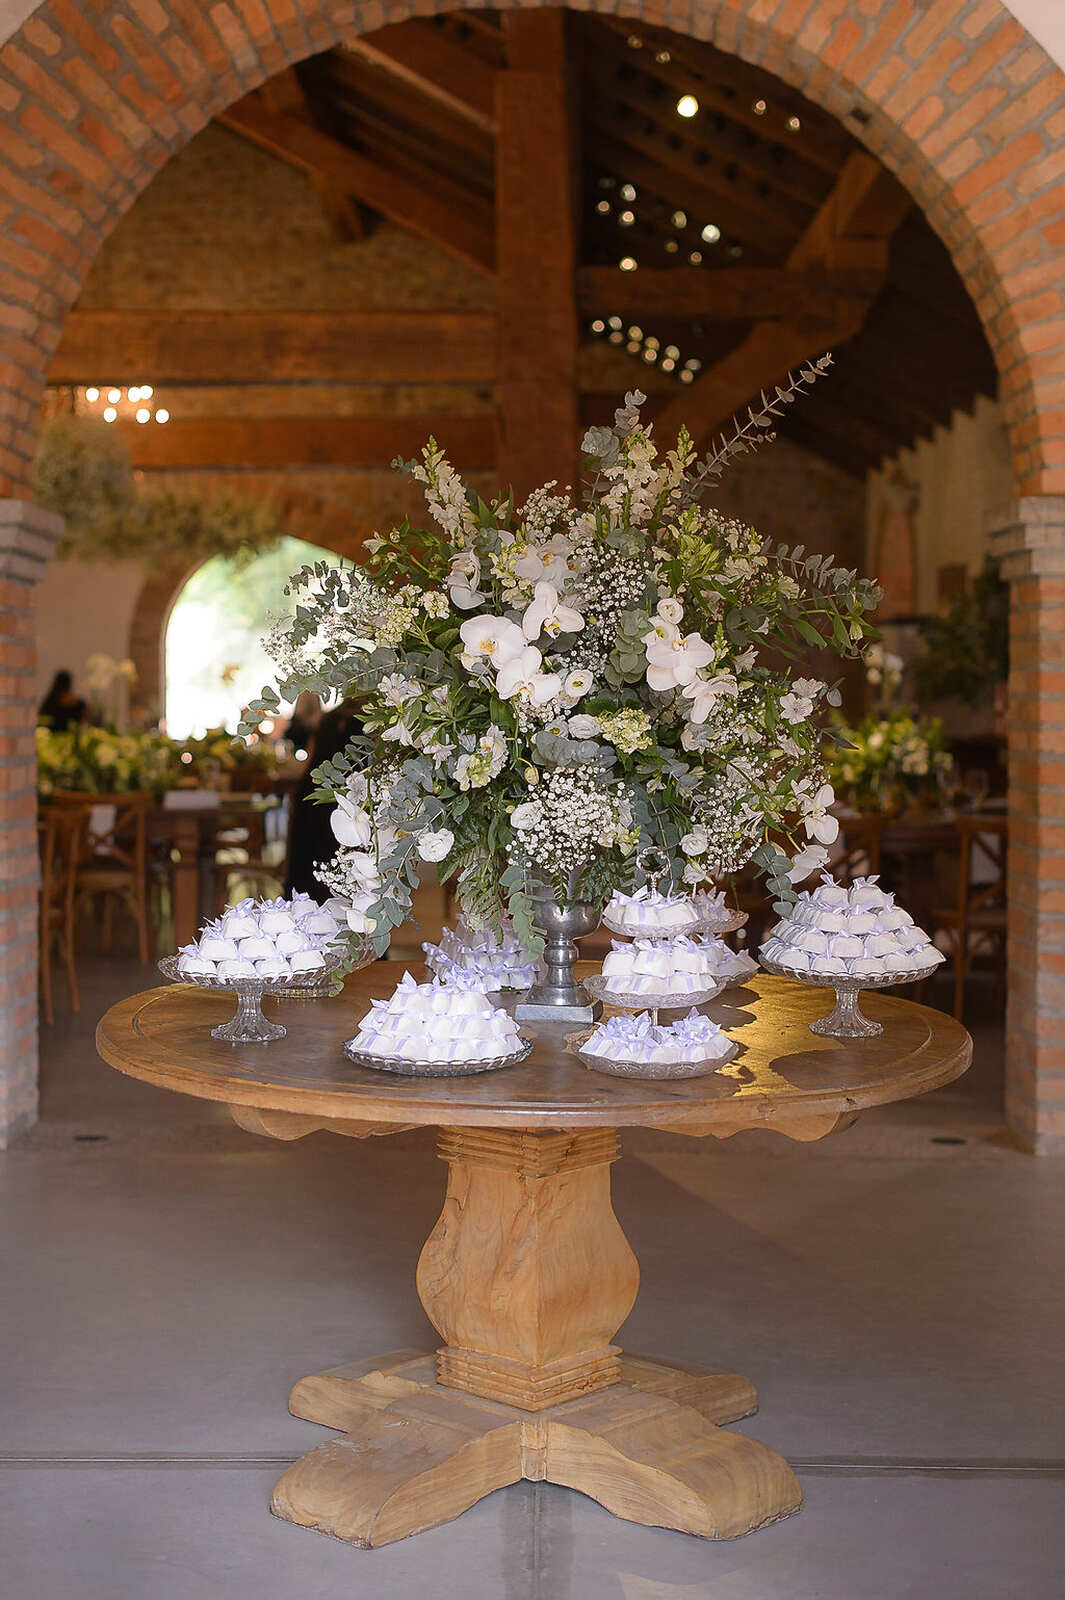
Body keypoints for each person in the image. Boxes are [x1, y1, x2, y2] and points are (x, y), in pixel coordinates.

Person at [284, 701, 364, 902]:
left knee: (315, 856)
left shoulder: (333, 717)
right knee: (323, 855)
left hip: (319, 792)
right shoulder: (346, 719)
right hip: (335, 796)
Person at [283, 691, 322, 756]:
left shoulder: (312, 693)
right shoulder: (303, 692)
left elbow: (316, 714)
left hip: (305, 729)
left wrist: (309, 724)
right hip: (302, 728)